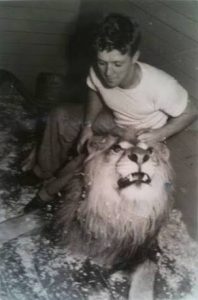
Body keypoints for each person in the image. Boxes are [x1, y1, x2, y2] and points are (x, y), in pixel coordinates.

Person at [23, 13, 197, 211]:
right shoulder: (98, 70)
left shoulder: (162, 86)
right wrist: (88, 126)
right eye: (102, 63)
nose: (108, 72)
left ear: (135, 57)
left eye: (117, 64)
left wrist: (158, 134)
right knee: (59, 114)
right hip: (114, 119)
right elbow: (95, 89)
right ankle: (42, 171)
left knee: (85, 162)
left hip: (141, 133)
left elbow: (191, 111)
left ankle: (47, 194)